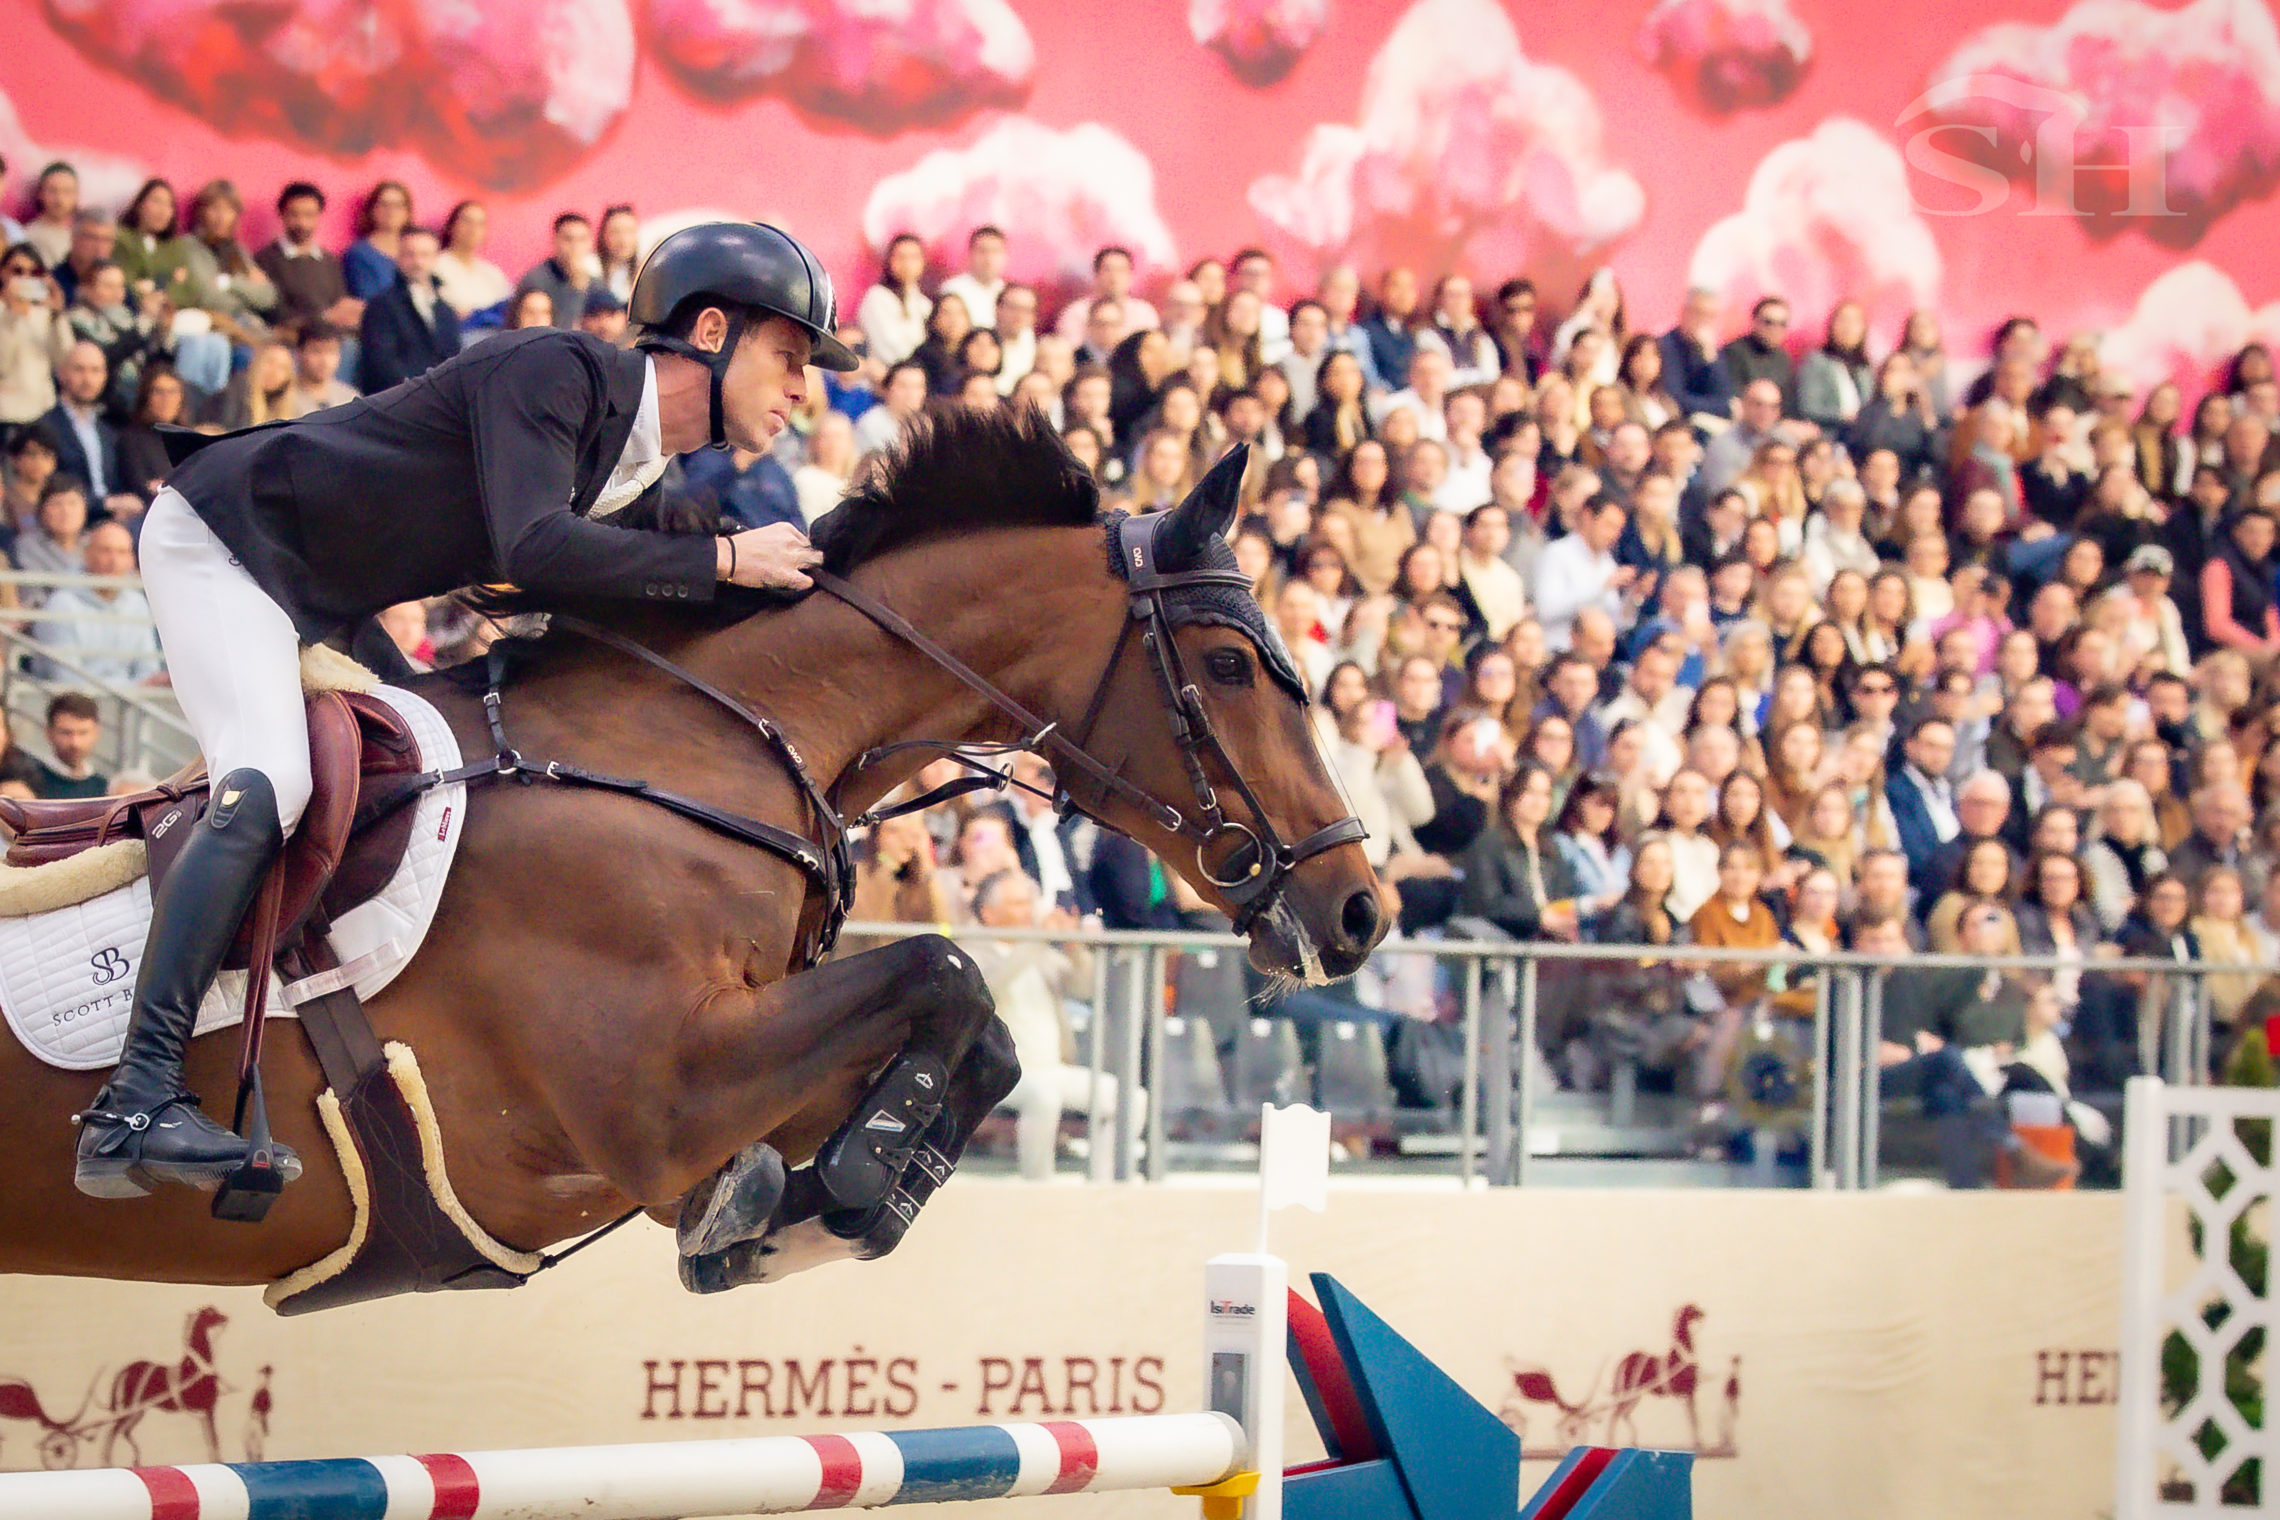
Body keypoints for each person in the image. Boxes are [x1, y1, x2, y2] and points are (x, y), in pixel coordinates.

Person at [68, 220, 851, 1203]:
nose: (803, 388)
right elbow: (534, 546)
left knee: (434, 780)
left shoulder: (640, 470)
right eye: (790, 355)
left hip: (324, 598)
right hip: (228, 541)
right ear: (709, 331)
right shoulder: (558, 371)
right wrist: (728, 559)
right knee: (271, 784)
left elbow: (644, 596)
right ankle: (135, 1098)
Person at [31, 520, 160, 683]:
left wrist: (135, 689)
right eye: (105, 551)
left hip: (132, 697)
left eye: (122, 552)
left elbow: (148, 670)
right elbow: (65, 680)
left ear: (131, 560)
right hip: (74, 699)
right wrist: (132, 688)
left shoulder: (137, 604)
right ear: (86, 555)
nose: (114, 561)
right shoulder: (61, 605)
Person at [358, 227, 460, 394]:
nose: (418, 262)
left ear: (435, 258)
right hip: (398, 398)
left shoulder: (446, 310)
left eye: (425, 255)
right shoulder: (381, 306)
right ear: (398, 257)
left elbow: (454, 358)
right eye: (410, 254)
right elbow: (381, 364)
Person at [255, 182, 361, 337]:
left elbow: (339, 305)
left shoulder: (329, 261)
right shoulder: (265, 260)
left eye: (309, 215)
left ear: (319, 216)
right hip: (294, 339)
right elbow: (273, 313)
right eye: (294, 214)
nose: (301, 222)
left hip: (335, 338)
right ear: (282, 214)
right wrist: (322, 318)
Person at [433, 200, 514, 321]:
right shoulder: (436, 266)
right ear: (451, 227)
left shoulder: (492, 273)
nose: (473, 229)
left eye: (480, 224)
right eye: (467, 221)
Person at [516, 212, 597, 329]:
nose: (575, 246)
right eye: (568, 239)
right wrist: (577, 289)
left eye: (582, 239)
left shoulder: (595, 283)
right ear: (555, 241)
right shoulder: (536, 281)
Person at [33, 691, 108, 800]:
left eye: (83, 733)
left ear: (96, 733)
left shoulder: (104, 788)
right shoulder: (30, 782)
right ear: (48, 733)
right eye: (66, 733)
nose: (75, 743)